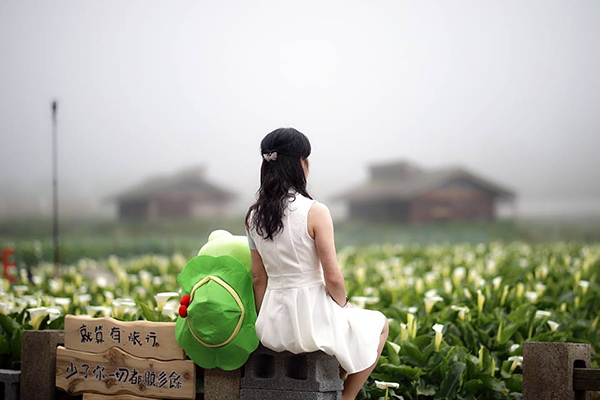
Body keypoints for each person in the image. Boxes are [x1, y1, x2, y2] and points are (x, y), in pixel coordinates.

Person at [244, 127, 389, 400]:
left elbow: (258, 279)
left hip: (272, 323)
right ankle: (345, 397)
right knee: (379, 324)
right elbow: (333, 278)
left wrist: (266, 318)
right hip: (313, 319)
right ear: (301, 163)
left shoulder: (253, 216)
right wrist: (344, 305)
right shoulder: (315, 211)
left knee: (351, 326)